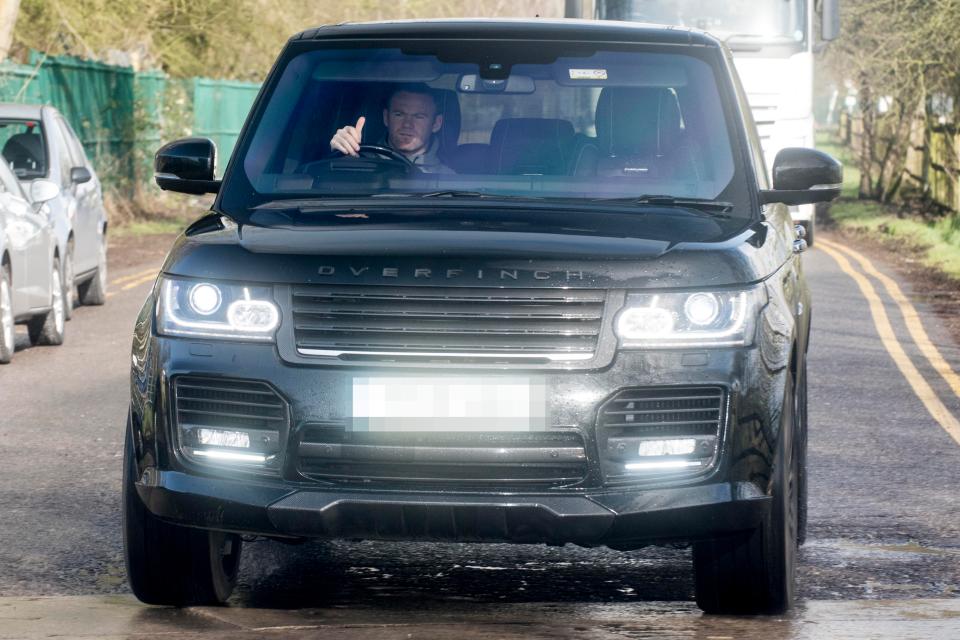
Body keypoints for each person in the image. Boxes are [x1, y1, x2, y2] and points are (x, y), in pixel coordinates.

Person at [329, 84, 453, 173]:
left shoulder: (450, 181)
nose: (407, 124)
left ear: (436, 124)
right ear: (386, 118)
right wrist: (341, 158)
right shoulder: (358, 162)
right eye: (399, 114)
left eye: (419, 116)